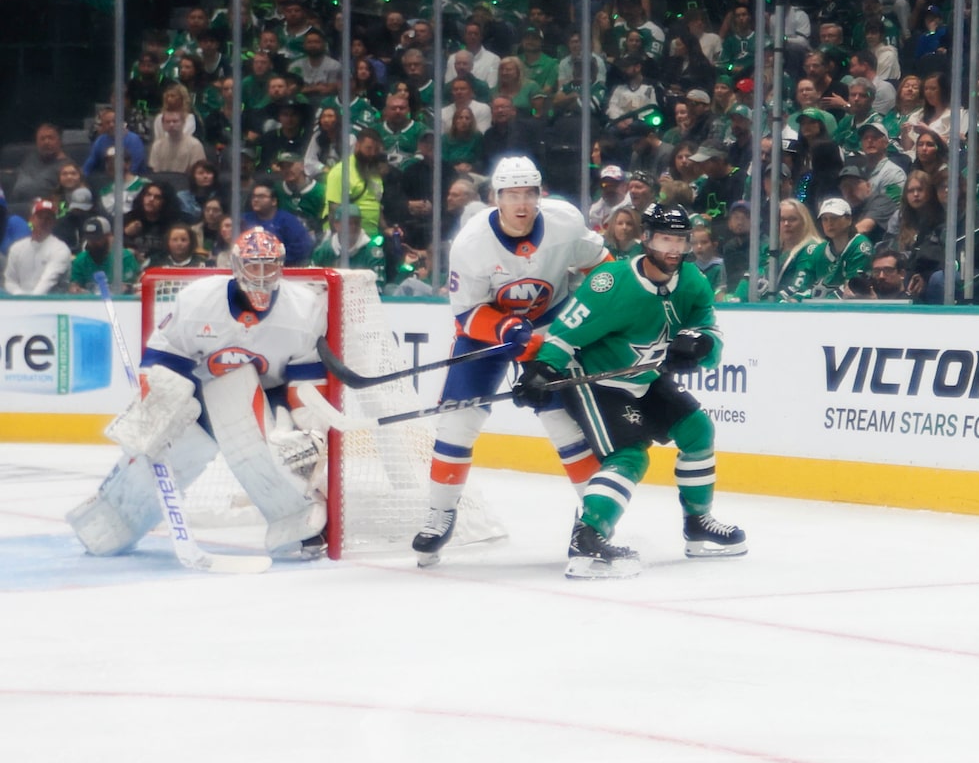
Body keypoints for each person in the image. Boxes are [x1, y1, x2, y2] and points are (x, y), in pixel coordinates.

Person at [67, 229, 347, 558]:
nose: (261, 275)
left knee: (273, 448)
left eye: (269, 266)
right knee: (171, 451)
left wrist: (308, 429)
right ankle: (113, 519)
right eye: (253, 266)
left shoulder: (303, 308)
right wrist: (157, 406)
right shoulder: (198, 299)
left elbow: (306, 379)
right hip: (199, 394)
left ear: (282, 265)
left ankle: (298, 523)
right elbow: (163, 359)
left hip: (273, 398)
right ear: (236, 265)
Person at [520, 204, 745, 577]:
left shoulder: (692, 281)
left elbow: (710, 333)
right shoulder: (610, 282)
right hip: (597, 381)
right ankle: (588, 537)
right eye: (664, 239)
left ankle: (698, 524)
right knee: (629, 455)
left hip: (645, 378)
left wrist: (700, 344)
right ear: (646, 239)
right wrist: (542, 372)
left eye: (680, 240)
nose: (673, 249)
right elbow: (563, 336)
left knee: (698, 430)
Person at [413, 155, 609, 565]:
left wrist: (604, 307)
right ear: (495, 198)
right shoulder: (471, 243)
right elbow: (466, 313)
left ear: (541, 195)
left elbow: (601, 269)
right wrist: (505, 331)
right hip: (485, 332)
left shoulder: (565, 222)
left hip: (549, 327)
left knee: (563, 421)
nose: (521, 204)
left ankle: (596, 517)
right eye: (512, 194)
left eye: (529, 193)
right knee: (458, 418)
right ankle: (441, 513)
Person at [4, 198, 72, 294]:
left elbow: (48, 280)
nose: (43, 221)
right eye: (40, 217)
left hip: (51, 303)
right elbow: (10, 281)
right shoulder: (17, 248)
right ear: (31, 219)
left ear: (54, 222)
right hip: (21, 302)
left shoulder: (60, 249)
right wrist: (20, 296)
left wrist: (33, 301)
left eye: (48, 218)